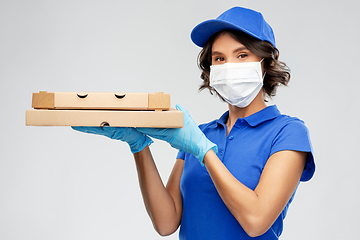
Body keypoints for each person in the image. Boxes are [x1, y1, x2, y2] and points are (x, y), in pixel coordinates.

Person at [72, 6, 315, 240]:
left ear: (265, 62)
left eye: (242, 55)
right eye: (219, 58)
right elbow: (166, 222)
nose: (228, 66)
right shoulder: (201, 133)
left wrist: (204, 151)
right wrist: (138, 145)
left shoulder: (288, 132)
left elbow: (255, 220)